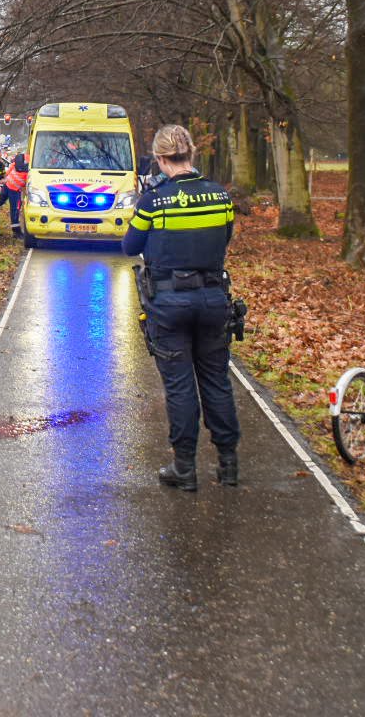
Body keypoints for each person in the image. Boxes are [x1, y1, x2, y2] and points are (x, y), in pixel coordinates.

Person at [122, 124, 240, 491]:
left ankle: (185, 468)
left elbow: (129, 246)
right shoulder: (220, 197)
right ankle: (228, 465)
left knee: (179, 386)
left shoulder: (154, 201)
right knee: (217, 381)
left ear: (159, 159)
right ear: (190, 153)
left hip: (169, 303)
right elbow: (226, 237)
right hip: (213, 299)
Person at [3, 148, 29, 235]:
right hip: (15, 190)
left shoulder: (18, 160)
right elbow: (28, 182)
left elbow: (8, 171)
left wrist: (4, 178)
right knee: (15, 210)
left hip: (7, 186)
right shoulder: (32, 163)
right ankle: (16, 232)